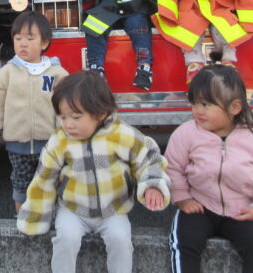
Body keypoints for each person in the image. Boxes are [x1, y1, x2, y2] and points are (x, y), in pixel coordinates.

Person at [17, 70, 170, 273]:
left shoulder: (121, 134)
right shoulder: (60, 140)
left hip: (113, 210)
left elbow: (149, 159)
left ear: (100, 113)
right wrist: (34, 217)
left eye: (76, 116)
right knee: (65, 239)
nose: (68, 124)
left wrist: (153, 185)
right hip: (73, 210)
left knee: (121, 240)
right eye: (63, 117)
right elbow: (44, 179)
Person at [165, 64, 253, 273]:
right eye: (194, 103)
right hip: (199, 206)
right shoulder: (186, 134)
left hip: (241, 209)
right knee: (184, 244)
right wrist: (183, 198)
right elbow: (172, 167)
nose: (197, 111)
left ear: (235, 108)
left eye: (205, 104)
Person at [0, 10, 69, 214]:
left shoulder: (56, 72)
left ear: (44, 43)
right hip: (17, 144)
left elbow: (66, 106)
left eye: (30, 39)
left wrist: (64, 135)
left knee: (51, 181)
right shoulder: (8, 72)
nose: (23, 43)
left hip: (49, 145)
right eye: (18, 38)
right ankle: (22, 216)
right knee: (20, 183)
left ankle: (53, 216)